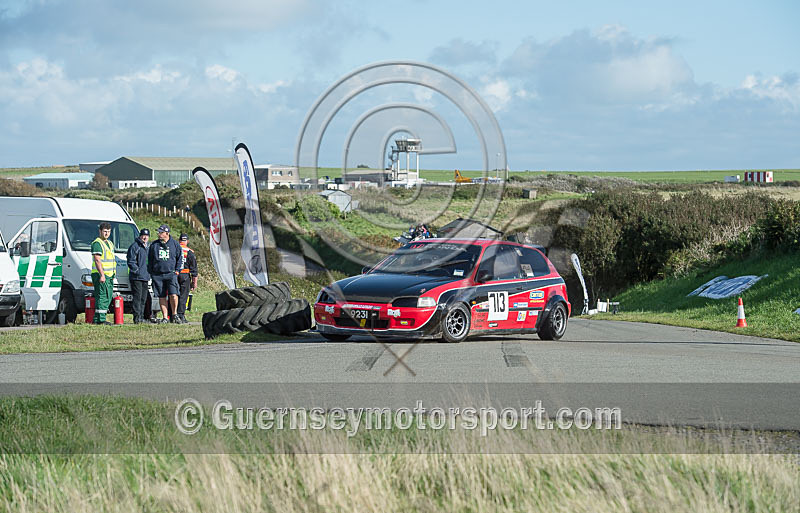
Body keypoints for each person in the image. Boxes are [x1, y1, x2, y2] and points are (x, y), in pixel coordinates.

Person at [147, 224, 183, 324]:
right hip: (158, 275)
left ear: (167, 233)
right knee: (161, 296)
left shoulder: (175, 244)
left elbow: (180, 258)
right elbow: (149, 259)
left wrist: (177, 270)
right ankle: (165, 317)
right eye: (158, 232)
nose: (159, 234)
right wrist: (151, 272)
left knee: (173, 294)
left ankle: (174, 314)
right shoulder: (154, 245)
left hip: (171, 274)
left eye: (161, 232)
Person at [91, 222, 116, 325]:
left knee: (108, 296)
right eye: (105, 231)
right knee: (102, 296)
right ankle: (100, 319)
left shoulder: (109, 243)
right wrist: (102, 274)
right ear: (100, 231)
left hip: (109, 275)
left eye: (108, 231)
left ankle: (98, 318)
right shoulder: (97, 243)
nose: (107, 233)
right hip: (101, 274)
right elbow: (97, 260)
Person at [126, 228, 151, 324]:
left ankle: (141, 317)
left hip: (145, 276)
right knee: (137, 298)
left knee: (143, 298)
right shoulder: (135, 246)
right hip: (136, 277)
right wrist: (137, 271)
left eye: (147, 236)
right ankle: (137, 318)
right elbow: (130, 261)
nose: (145, 237)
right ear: (140, 236)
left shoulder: (148, 247)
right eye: (143, 235)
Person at [175, 233, 198, 323]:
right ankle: (181, 315)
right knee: (183, 296)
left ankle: (173, 314)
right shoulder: (189, 252)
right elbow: (194, 270)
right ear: (187, 241)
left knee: (174, 295)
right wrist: (194, 282)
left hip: (175, 275)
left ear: (179, 240)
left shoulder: (175, 249)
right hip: (185, 276)